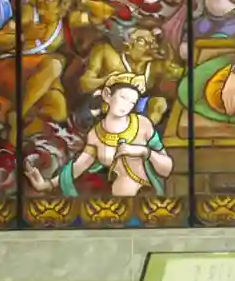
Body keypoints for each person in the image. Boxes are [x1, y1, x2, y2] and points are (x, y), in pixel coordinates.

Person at [25, 72, 174, 197]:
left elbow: (167, 168)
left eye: (132, 102)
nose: (126, 106)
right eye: (123, 98)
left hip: (146, 195)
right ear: (107, 95)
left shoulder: (142, 124)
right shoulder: (96, 135)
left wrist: (144, 152)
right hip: (115, 198)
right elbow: (77, 167)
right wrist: (47, 184)